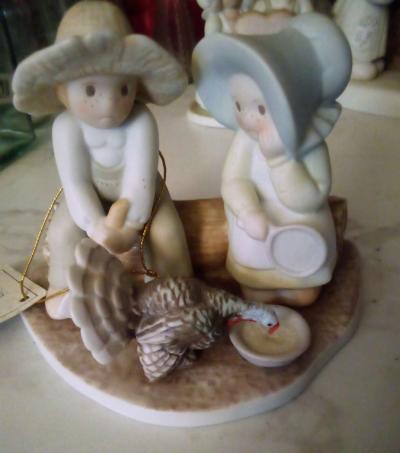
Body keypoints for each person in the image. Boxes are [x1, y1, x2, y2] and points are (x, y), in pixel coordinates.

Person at [13, 1, 193, 319]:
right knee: (63, 233)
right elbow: (76, 182)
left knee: (166, 233)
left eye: (122, 89)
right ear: (62, 91)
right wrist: (95, 226)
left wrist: (129, 226)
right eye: (90, 90)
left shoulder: (141, 120)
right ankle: (64, 291)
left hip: (144, 197)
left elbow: (140, 182)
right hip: (87, 199)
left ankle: (175, 290)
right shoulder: (66, 127)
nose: (109, 103)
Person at [193, 13, 352, 305]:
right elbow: (233, 180)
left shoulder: (311, 146)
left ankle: (299, 282)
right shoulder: (245, 140)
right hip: (257, 227)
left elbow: (311, 198)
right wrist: (248, 210)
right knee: (255, 288)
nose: (248, 119)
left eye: (261, 109)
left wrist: (280, 162)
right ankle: (260, 282)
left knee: (305, 293)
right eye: (239, 105)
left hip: (300, 226)